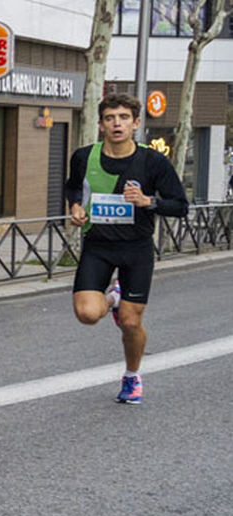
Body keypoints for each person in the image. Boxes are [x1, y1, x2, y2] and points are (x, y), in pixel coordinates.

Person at [65, 92, 187, 404]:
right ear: (101, 125)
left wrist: (149, 202)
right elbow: (74, 186)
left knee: (132, 322)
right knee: (87, 314)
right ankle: (113, 298)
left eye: (123, 118)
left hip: (136, 248)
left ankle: (132, 377)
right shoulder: (83, 156)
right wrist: (76, 206)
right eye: (109, 118)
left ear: (135, 123)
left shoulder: (153, 161)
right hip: (98, 245)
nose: (116, 123)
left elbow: (180, 206)